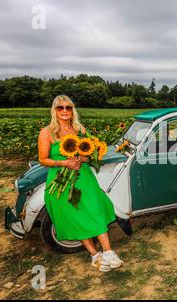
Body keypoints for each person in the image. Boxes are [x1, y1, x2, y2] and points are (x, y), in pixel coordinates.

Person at [37, 94, 123, 272]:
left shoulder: (80, 130)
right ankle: (95, 255)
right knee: (77, 216)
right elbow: (43, 159)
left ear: (72, 110)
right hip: (60, 181)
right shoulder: (47, 132)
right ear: (54, 111)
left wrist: (85, 157)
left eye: (68, 107)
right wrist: (64, 162)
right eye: (60, 108)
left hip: (83, 178)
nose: (65, 111)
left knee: (94, 210)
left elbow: (93, 151)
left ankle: (108, 252)